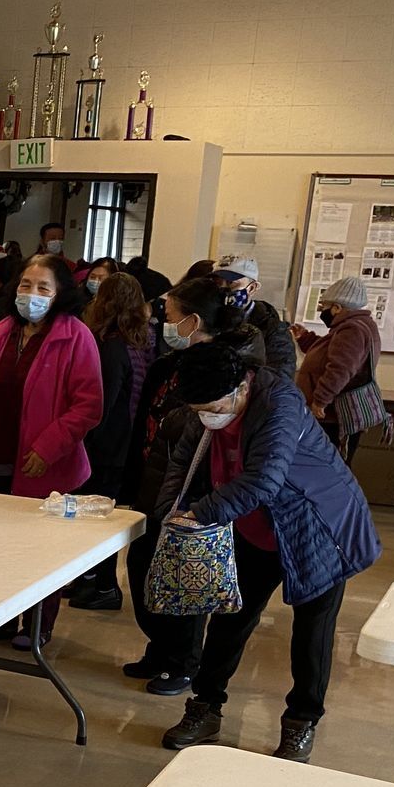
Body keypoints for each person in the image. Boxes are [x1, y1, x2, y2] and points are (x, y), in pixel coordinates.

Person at [156, 339, 381, 762]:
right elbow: (184, 462)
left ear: (242, 386)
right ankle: (205, 708)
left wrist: (202, 512)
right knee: (229, 619)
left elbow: (264, 479)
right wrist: (170, 513)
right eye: (199, 408)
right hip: (253, 525)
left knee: (312, 634)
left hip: (316, 527)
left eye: (215, 406)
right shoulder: (208, 407)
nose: (208, 416)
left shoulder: (280, 403)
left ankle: (301, 723)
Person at [120, 277, 250, 694]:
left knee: (185, 577)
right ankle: (159, 650)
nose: (165, 323)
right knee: (144, 566)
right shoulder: (168, 363)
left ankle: (182, 661)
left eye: (171, 316)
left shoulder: (223, 369)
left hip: (192, 489)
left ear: (194, 321)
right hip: (154, 479)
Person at [0, 252, 104, 647]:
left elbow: (88, 405)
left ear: (59, 294)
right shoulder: (1, 332)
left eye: (42, 288)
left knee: (37, 549)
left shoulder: (75, 336)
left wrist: (48, 446)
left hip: (42, 461)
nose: (30, 295)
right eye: (25, 285)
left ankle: (38, 624)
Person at [68, 273, 153, 610]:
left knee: (94, 519)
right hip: (124, 445)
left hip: (106, 448)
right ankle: (92, 581)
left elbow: (102, 401)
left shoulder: (111, 346)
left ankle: (102, 585)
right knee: (101, 516)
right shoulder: (138, 342)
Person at [293, 276, 383, 460]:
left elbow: (340, 369)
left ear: (337, 308)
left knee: (330, 466)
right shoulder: (353, 326)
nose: (321, 311)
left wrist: (320, 400)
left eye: (323, 306)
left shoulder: (352, 330)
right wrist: (306, 338)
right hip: (334, 414)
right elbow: (329, 353)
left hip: (334, 416)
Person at [213, 258, 298, 380]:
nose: (222, 288)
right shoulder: (209, 317)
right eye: (217, 283)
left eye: (231, 283)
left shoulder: (274, 330)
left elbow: (278, 380)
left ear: (252, 288)